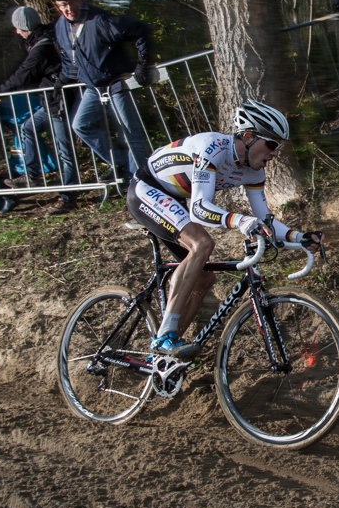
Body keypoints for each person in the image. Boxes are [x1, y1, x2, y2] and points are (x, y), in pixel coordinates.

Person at [126, 100, 323, 358]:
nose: (276, 153)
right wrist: (240, 221)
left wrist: (299, 237)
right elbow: (199, 208)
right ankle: (164, 336)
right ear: (249, 137)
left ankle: (167, 350)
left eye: (279, 147)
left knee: (205, 278)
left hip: (174, 200)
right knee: (203, 244)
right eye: (272, 144)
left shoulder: (253, 171)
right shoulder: (213, 149)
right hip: (148, 189)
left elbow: (265, 220)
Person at [50, 0, 152, 181]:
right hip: (93, 88)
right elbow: (69, 58)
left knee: (131, 134)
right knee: (81, 125)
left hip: (116, 83)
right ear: (57, 6)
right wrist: (61, 80)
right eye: (63, 5)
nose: (68, 9)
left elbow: (140, 30)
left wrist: (142, 64)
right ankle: (120, 162)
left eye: (71, 3)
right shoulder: (61, 27)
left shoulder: (101, 20)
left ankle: (139, 183)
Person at [0, 5, 79, 215]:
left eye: (17, 27)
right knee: (28, 127)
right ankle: (32, 175)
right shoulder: (41, 40)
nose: (16, 31)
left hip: (58, 102)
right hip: (49, 102)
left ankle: (68, 196)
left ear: (24, 28)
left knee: (64, 151)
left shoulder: (41, 47)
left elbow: (23, 74)